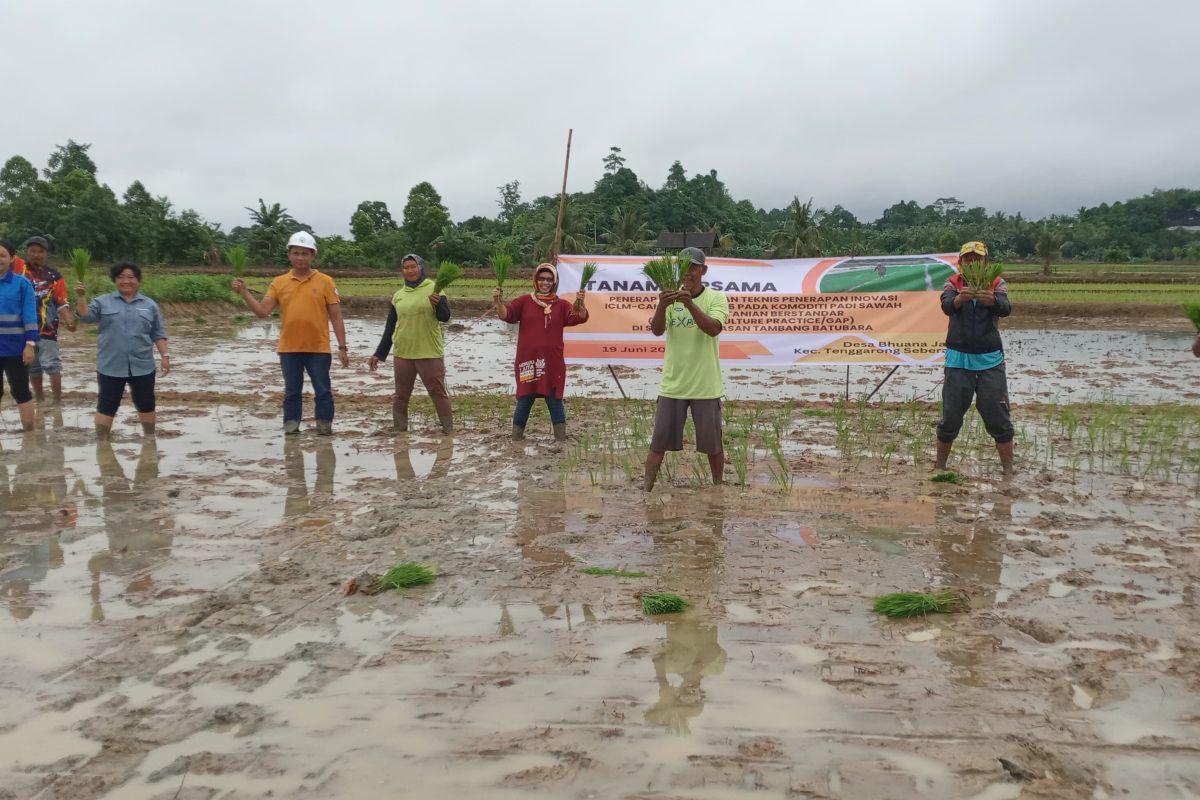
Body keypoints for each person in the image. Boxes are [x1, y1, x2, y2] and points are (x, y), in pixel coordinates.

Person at [233, 231, 350, 435]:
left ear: (313, 255)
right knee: (292, 392)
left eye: (305, 253)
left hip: (318, 348)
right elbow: (262, 312)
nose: (300, 258)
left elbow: (336, 317)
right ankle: (291, 428)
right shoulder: (279, 282)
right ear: (289, 255)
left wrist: (342, 347)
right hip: (289, 349)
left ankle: (324, 428)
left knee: (322, 390)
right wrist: (245, 293)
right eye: (296, 253)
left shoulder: (325, 281)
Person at [643, 247, 728, 491]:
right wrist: (661, 305)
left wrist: (690, 305)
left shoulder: (716, 298)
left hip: (706, 386)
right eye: (683, 267)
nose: (687, 272)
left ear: (703, 270)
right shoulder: (669, 299)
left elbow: (713, 328)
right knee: (658, 443)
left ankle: (718, 489)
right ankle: (646, 490)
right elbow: (657, 330)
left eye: (693, 267)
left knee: (713, 446)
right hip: (673, 385)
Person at [935, 241, 1014, 474]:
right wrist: (960, 299)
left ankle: (1008, 471)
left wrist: (993, 300)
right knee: (950, 418)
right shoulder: (953, 283)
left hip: (990, 361)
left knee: (998, 418)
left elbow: (1006, 307)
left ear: (985, 262)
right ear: (960, 263)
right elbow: (946, 305)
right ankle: (940, 467)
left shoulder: (996, 283)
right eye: (967, 259)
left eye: (977, 259)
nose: (972, 263)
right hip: (958, 360)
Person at [492, 262, 589, 442]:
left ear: (555, 282)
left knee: (554, 399)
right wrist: (498, 302)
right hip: (527, 360)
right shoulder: (523, 301)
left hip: (552, 362)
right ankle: (516, 438)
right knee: (525, 398)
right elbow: (507, 315)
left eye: (549, 280)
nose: (545, 282)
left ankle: (560, 440)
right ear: (535, 280)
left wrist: (581, 303)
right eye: (542, 279)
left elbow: (579, 318)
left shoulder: (562, 305)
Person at [74, 262, 170, 437]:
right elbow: (85, 317)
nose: (126, 281)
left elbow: (158, 333)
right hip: (110, 365)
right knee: (107, 404)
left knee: (146, 403)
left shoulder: (149, 305)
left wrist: (165, 355)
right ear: (115, 280)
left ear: (138, 281)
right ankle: (102, 444)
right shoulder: (103, 302)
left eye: (131, 277)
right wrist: (81, 297)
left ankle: (149, 439)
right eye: (121, 277)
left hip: (143, 365)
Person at [369, 254, 454, 434]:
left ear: (421, 268)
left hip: (428, 352)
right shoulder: (399, 295)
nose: (410, 270)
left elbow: (445, 317)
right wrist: (379, 354)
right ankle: (399, 431)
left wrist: (438, 304)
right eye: (406, 267)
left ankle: (448, 431)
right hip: (403, 353)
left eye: (413, 266)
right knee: (400, 396)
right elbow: (390, 327)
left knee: (438, 394)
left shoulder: (434, 288)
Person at [20, 236, 75, 403]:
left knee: (52, 365)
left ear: (46, 254)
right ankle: (40, 400)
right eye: (33, 251)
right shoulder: (19, 273)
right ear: (27, 253)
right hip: (23, 330)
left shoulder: (54, 276)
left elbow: (60, 302)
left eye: (41, 251)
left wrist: (69, 321)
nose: (37, 255)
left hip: (47, 328)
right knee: (33, 367)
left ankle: (57, 401)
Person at [0, 239, 38, 432]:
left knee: (20, 390)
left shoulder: (22, 284)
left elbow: (30, 315)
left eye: (2, 255)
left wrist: (30, 344)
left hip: (15, 348)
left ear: (12, 258)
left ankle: (29, 435)